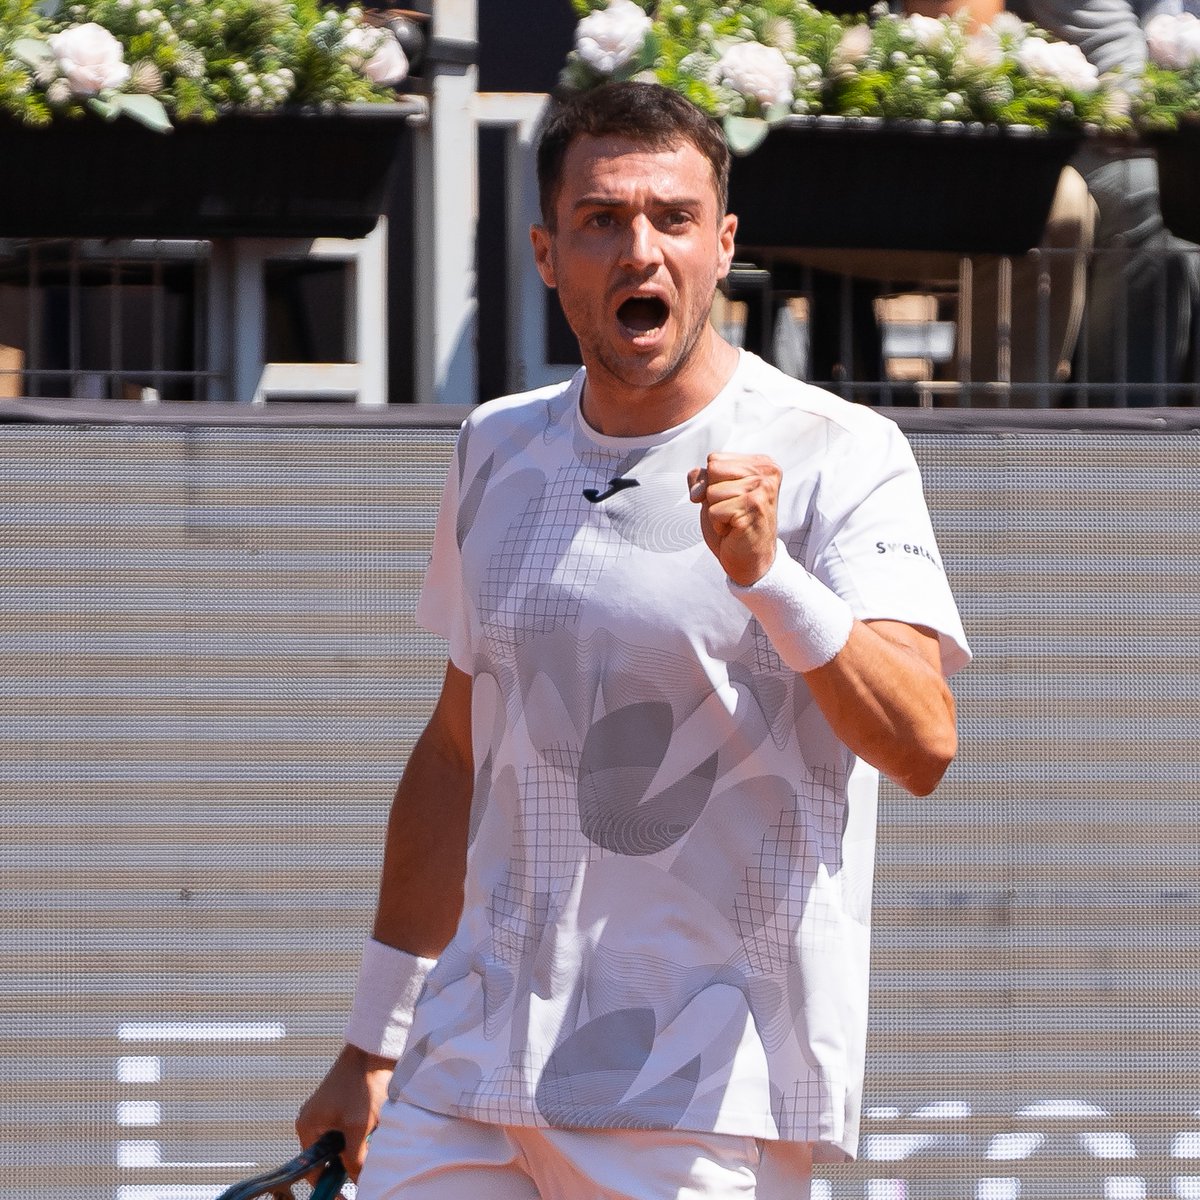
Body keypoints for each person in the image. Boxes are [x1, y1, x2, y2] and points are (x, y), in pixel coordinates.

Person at [296, 81, 971, 1199]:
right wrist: (371, 1044)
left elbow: (922, 742)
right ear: (548, 252)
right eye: (603, 219)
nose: (640, 249)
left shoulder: (843, 452)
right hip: (465, 1068)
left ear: (723, 245)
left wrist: (771, 579)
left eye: (673, 218)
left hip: (700, 1091)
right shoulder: (494, 448)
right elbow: (459, 754)